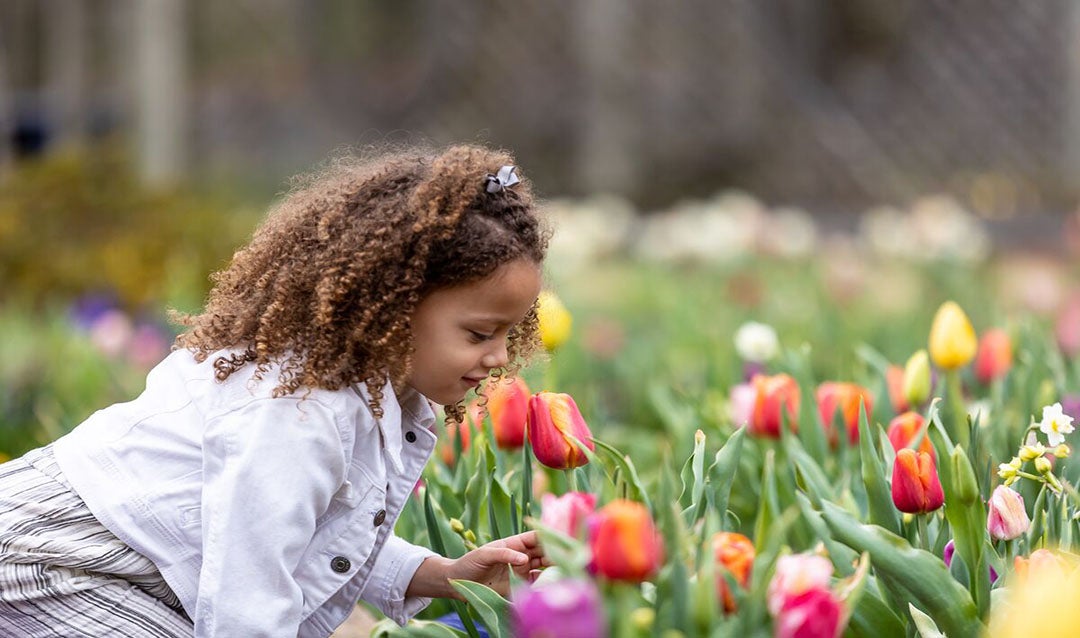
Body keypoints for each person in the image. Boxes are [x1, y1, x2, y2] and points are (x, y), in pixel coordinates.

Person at [0, 144, 550, 637]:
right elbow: (248, 601)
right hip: (45, 559)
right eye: (480, 333)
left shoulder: (374, 393)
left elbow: (313, 538)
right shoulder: (301, 411)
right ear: (395, 306)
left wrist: (443, 576)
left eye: (510, 332)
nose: (500, 356)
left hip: (96, 562)